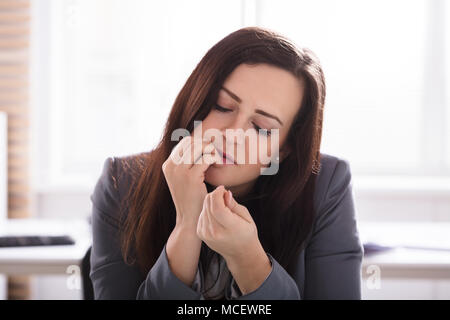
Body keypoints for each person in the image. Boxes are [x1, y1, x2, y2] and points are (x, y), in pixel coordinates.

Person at [89, 26, 364, 300]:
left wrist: (249, 259)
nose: (232, 135)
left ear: (284, 150)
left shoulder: (326, 185)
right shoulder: (121, 183)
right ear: (195, 99)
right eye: (222, 106)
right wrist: (187, 225)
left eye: (261, 127)